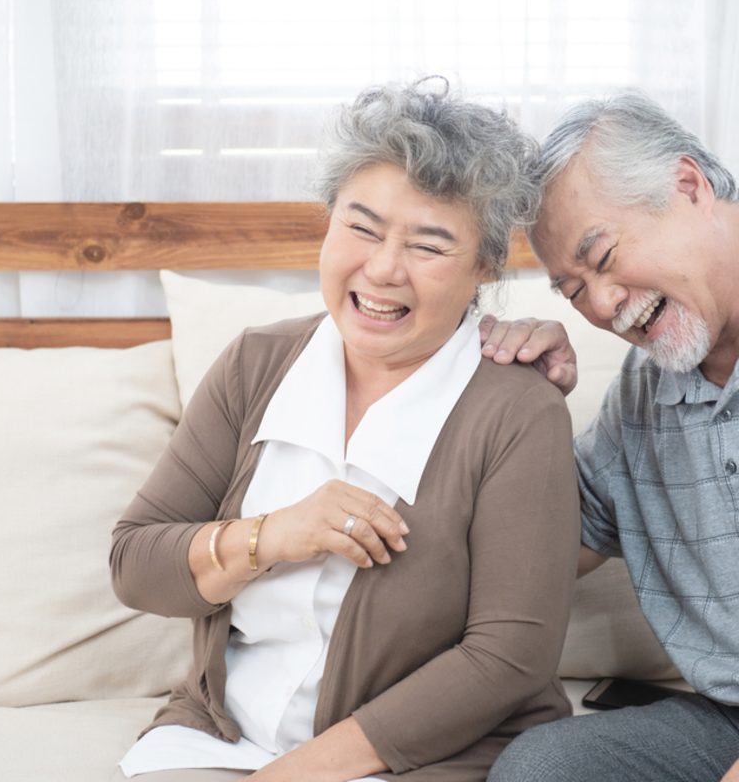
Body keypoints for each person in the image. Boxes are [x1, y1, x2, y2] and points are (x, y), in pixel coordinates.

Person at [108, 79, 580, 782]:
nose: (384, 269)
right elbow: (137, 565)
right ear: (328, 224)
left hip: (426, 758)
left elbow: (509, 659)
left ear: (484, 265)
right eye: (362, 227)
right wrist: (274, 534)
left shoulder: (517, 409)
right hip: (221, 736)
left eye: (429, 245)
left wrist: (291, 776)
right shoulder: (254, 364)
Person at [483, 92, 739, 782]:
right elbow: (543, 551)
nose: (601, 306)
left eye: (602, 256)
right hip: (726, 718)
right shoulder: (644, 390)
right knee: (544, 769)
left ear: (688, 185)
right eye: (571, 290)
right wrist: (515, 402)